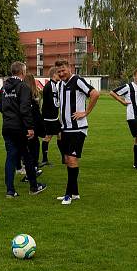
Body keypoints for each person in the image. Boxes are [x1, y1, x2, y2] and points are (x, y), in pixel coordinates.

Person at [0, 62, 47, 198]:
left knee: (11, 157)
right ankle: (33, 187)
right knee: (27, 156)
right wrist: (30, 127)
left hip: (6, 126)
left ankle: (10, 190)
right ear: (22, 72)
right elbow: (25, 109)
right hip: (19, 128)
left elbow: (0, 107)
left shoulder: (4, 88)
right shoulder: (23, 86)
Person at [55, 59, 100, 205]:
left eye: (63, 70)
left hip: (78, 129)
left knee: (72, 160)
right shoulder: (60, 85)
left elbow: (95, 94)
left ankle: (68, 194)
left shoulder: (78, 80)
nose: (61, 73)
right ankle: (75, 193)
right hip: (66, 129)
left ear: (70, 68)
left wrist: (85, 112)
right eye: (59, 71)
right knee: (68, 160)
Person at [110, 69, 137, 172]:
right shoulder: (128, 87)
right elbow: (112, 92)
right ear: (134, 77)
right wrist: (122, 102)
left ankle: (136, 163)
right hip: (132, 117)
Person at [24, 73, 45, 182]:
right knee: (34, 145)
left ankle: (25, 168)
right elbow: (38, 109)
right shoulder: (36, 93)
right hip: (35, 123)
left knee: (27, 146)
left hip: (26, 123)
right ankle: (32, 169)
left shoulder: (24, 92)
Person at [40, 66, 62, 167]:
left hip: (52, 116)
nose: (60, 75)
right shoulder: (51, 86)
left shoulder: (52, 85)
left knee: (60, 134)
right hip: (50, 117)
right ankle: (45, 160)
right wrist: (62, 104)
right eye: (58, 73)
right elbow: (54, 103)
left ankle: (64, 157)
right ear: (54, 75)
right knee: (48, 137)